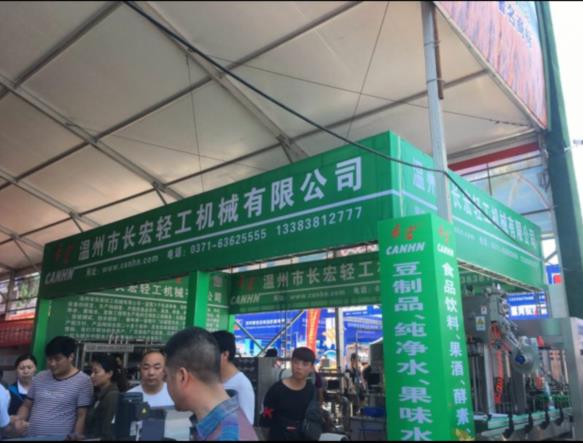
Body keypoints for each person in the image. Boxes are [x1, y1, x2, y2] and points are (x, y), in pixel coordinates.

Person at [165, 327, 258, 441]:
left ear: (182, 377)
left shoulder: (225, 436)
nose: (166, 384)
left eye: (166, 377)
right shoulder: (229, 422)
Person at [12, 336, 93, 439]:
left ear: (71, 357)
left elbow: (81, 415)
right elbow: (26, 405)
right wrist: (19, 420)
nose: (52, 363)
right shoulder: (40, 377)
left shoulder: (83, 381)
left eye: (57, 359)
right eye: (49, 359)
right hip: (32, 437)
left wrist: (76, 437)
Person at [260, 347, 317, 441]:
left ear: (311, 368)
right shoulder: (276, 390)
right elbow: (265, 423)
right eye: (296, 362)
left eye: (305, 364)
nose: (299, 367)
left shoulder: (311, 390)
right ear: (291, 363)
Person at [212, 330, 255, 425]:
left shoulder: (241, 385)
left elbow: (246, 425)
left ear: (224, 355)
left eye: (210, 353)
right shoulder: (212, 380)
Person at [85, 354, 127, 440]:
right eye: (91, 372)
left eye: (96, 372)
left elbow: (107, 432)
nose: (92, 375)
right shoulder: (99, 394)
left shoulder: (112, 397)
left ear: (109, 374)